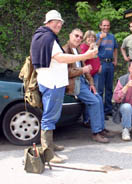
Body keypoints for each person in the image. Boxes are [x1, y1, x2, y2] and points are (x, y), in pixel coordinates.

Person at [30, 10, 97, 163]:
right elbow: (60, 58)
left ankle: (50, 144)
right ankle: (48, 152)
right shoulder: (48, 37)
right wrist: (85, 56)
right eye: (56, 21)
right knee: (49, 116)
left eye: (60, 22)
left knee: (51, 115)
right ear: (48, 22)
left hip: (50, 82)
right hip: (52, 83)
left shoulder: (41, 35)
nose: (59, 24)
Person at [63, 28, 115, 143]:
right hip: (74, 83)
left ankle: (101, 129)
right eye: (76, 36)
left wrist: (92, 84)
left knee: (98, 99)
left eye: (80, 37)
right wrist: (82, 70)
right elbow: (66, 72)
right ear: (70, 35)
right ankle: (96, 132)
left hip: (83, 81)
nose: (78, 39)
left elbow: (86, 70)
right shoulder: (65, 50)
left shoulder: (77, 49)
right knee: (94, 101)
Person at [96, 19, 118, 117]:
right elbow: (94, 48)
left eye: (107, 25)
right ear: (100, 26)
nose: (106, 27)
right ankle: (100, 110)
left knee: (109, 88)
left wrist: (115, 60)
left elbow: (115, 48)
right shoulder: (97, 36)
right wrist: (100, 39)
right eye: (104, 25)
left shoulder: (112, 37)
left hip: (110, 64)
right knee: (100, 89)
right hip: (101, 63)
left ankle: (108, 109)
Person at [80, 30, 101, 126]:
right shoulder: (83, 47)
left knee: (96, 96)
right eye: (89, 37)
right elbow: (82, 60)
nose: (91, 39)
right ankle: (87, 119)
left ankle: (95, 119)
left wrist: (99, 65)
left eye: (92, 37)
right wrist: (90, 50)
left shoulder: (94, 46)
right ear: (85, 38)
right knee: (90, 98)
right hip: (88, 76)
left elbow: (96, 57)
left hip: (95, 74)